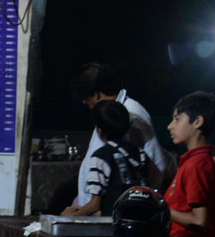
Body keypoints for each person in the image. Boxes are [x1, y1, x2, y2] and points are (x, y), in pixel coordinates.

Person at [70, 62, 173, 209]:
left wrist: (142, 203)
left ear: (97, 94)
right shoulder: (110, 112)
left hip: (111, 210)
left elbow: (157, 164)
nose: (84, 102)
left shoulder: (132, 115)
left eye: (86, 98)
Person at [62, 99, 145, 216]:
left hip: (111, 220)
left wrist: (68, 217)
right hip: (137, 214)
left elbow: (95, 205)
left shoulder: (101, 156)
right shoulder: (138, 152)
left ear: (99, 131)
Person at [163, 90, 215, 237]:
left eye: (177, 119)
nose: (170, 126)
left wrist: (160, 208)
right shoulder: (194, 161)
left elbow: (199, 221)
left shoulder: (197, 165)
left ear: (197, 122)